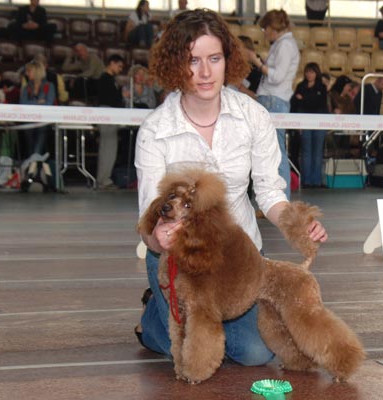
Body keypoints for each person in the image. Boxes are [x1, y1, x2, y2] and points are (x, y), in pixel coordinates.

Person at [134, 9, 327, 362]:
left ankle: (169, 319)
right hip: (179, 257)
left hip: (239, 254)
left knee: (255, 354)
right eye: (193, 60)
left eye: (214, 58)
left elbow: (269, 192)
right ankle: (154, 322)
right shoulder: (155, 130)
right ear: (176, 64)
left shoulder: (253, 116)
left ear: (228, 60)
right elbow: (149, 215)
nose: (205, 73)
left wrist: (299, 224)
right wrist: (158, 237)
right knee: (189, 347)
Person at [246, 9, 300, 200]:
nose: (264, 33)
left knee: (276, 152)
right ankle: (272, 199)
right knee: (269, 151)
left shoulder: (285, 45)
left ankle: (282, 198)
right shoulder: (281, 44)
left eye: (265, 29)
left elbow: (277, 77)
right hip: (271, 99)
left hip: (274, 100)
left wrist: (257, 62)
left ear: (272, 27)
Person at [291, 62, 328, 188]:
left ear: (316, 73)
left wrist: (304, 98)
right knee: (306, 152)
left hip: (319, 122)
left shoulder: (321, 87)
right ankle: (306, 181)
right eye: (307, 72)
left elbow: (320, 104)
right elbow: (295, 103)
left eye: (312, 72)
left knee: (317, 152)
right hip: (304, 121)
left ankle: (316, 181)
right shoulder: (300, 86)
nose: (309, 74)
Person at [96, 54, 125, 189]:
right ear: (112, 63)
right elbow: (111, 99)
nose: (120, 69)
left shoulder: (110, 79)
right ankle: (103, 179)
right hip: (107, 114)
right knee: (107, 149)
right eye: (119, 66)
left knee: (109, 149)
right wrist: (121, 96)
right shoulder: (104, 79)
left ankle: (104, 178)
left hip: (111, 114)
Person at [19, 60, 55, 157]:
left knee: (37, 147)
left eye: (29, 71)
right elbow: (23, 104)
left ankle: (34, 160)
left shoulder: (49, 86)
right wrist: (38, 102)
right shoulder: (26, 87)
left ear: (36, 72)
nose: (26, 73)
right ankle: (33, 160)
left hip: (43, 121)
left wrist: (32, 104)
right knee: (29, 146)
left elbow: (48, 104)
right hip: (29, 121)